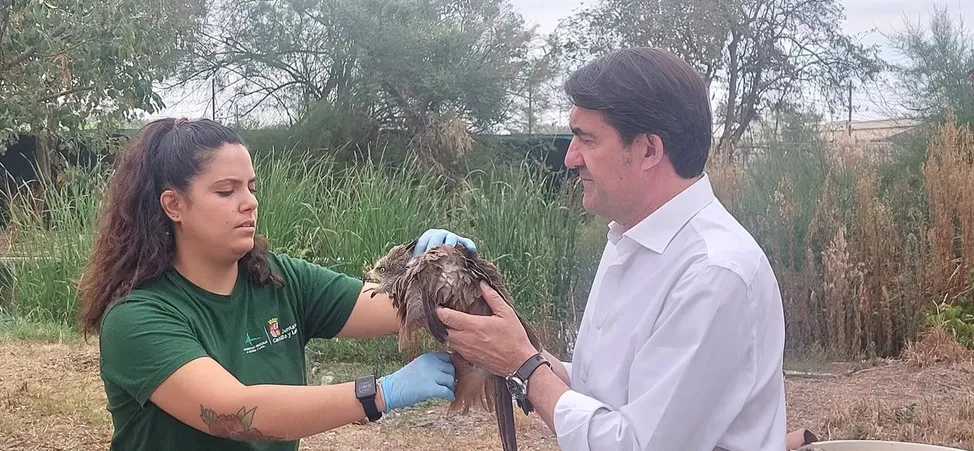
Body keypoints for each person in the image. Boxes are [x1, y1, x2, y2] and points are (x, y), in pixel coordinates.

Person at [435, 47, 789, 450]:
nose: (570, 159)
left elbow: (637, 444)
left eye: (587, 140)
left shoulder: (714, 273)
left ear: (648, 151)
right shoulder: (630, 238)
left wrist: (525, 366)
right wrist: (510, 352)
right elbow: (606, 395)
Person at [76, 117, 474, 450]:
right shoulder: (137, 318)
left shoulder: (277, 279)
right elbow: (233, 412)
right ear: (173, 205)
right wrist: (380, 392)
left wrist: (434, 272)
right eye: (226, 190)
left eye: (251, 187)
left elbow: (391, 307)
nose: (249, 202)